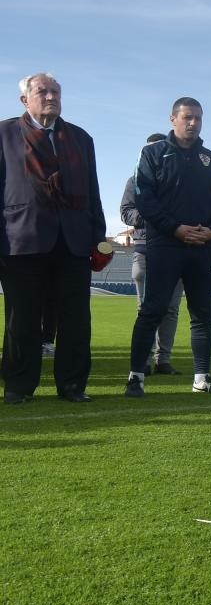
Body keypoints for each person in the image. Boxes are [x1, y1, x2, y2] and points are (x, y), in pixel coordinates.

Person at [0, 72, 107, 404]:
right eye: (42, 91)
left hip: (72, 241)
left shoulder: (80, 138)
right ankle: (18, 387)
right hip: (22, 240)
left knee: (76, 319)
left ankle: (72, 385)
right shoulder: (4, 134)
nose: (50, 97)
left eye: (56, 92)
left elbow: (92, 192)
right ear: (24, 100)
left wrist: (98, 238)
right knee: (22, 318)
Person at [126, 97, 211, 396]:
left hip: (203, 248)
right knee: (152, 310)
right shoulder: (153, 154)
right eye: (187, 117)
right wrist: (175, 228)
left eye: (198, 118)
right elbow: (144, 197)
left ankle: (202, 378)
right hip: (164, 246)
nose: (193, 123)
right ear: (173, 119)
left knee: (202, 314)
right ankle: (136, 377)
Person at [120, 133, 182, 374]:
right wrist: (153, 215)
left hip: (176, 251)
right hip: (145, 251)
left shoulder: (179, 182)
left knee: (171, 309)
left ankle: (163, 360)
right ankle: (143, 361)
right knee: (145, 308)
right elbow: (126, 212)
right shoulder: (133, 181)